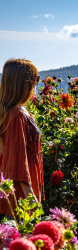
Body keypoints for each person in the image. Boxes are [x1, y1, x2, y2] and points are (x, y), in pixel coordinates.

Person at [0, 58, 44, 218]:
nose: (36, 84)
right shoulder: (16, 115)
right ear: (22, 83)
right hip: (19, 200)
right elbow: (17, 160)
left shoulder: (16, 112)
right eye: (35, 79)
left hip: (19, 196)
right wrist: (31, 198)